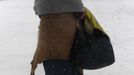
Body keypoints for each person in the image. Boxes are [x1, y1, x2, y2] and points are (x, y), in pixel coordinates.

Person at [30, 0, 85, 75]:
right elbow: (79, 11)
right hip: (69, 34)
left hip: (48, 33)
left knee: (52, 63)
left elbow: (38, 9)